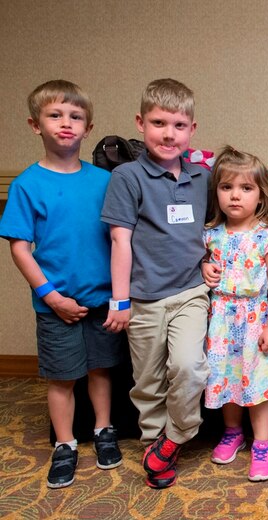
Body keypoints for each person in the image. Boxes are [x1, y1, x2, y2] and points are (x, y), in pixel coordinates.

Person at [0, 80, 124, 488]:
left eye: (76, 117)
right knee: (62, 377)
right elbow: (20, 249)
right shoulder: (26, 185)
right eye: (55, 115)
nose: (66, 124)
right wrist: (51, 297)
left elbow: (120, 238)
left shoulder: (104, 181)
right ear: (36, 125)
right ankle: (66, 444)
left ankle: (104, 430)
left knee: (101, 370)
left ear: (88, 128)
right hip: (57, 303)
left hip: (103, 298)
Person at [101, 78, 211, 489]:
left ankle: (178, 435)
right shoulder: (127, 177)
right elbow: (119, 241)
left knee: (188, 366)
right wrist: (120, 299)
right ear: (140, 123)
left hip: (190, 293)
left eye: (179, 125)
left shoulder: (201, 178)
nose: (169, 134)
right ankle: (154, 442)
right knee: (147, 380)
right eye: (159, 123)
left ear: (192, 129)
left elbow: (215, 228)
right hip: (144, 299)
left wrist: (212, 263)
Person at [201, 146, 268, 481]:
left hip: (255, 319)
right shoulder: (210, 233)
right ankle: (233, 431)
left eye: (246, 188)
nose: (235, 196)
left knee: (257, 384)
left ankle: (262, 444)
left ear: (261, 193)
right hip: (221, 318)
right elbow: (201, 267)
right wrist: (204, 264)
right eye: (227, 187)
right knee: (224, 379)